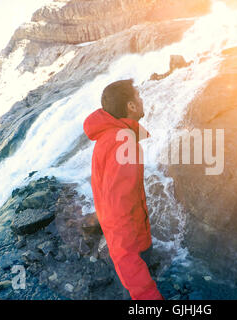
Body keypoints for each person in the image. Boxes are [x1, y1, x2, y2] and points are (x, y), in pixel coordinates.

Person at [83, 79, 164, 300]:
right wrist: (147, 295)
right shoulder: (124, 144)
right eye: (138, 96)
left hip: (130, 240)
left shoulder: (109, 137)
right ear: (130, 106)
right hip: (132, 247)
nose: (142, 100)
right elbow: (118, 215)